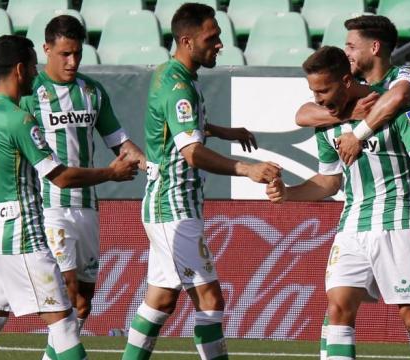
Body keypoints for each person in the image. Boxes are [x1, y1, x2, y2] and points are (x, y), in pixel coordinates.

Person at [295, 15, 410, 360]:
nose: (347, 51)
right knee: (344, 305)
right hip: (366, 212)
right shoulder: (347, 93)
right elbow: (303, 114)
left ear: (375, 47)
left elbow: (395, 99)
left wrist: (358, 133)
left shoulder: (404, 78)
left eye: (352, 45)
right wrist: (345, 117)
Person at [0, 35, 138, 360]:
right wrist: (110, 173)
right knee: (65, 324)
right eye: (31, 66)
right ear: (19, 69)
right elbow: (60, 176)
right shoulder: (19, 119)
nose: (35, 72)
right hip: (22, 237)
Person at [121, 4, 281, 360]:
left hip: (169, 203)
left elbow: (182, 126)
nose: (220, 44)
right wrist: (247, 169)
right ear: (187, 41)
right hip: (173, 206)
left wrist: (224, 131)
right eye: (212, 38)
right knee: (210, 299)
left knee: (161, 299)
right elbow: (192, 152)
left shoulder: (170, 74)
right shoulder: (180, 86)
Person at [269, 46, 410, 359]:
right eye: (313, 91)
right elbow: (329, 181)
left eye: (324, 90)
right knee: (338, 307)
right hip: (352, 225)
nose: (318, 99)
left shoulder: (393, 107)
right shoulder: (327, 122)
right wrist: (288, 193)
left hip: (399, 219)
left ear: (347, 80)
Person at [20, 14, 146, 341]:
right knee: (67, 292)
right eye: (65, 54)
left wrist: (149, 165)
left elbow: (118, 140)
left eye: (77, 53)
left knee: (84, 302)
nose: (72, 61)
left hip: (87, 207)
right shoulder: (30, 93)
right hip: (50, 206)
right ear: (46, 49)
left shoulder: (92, 91)